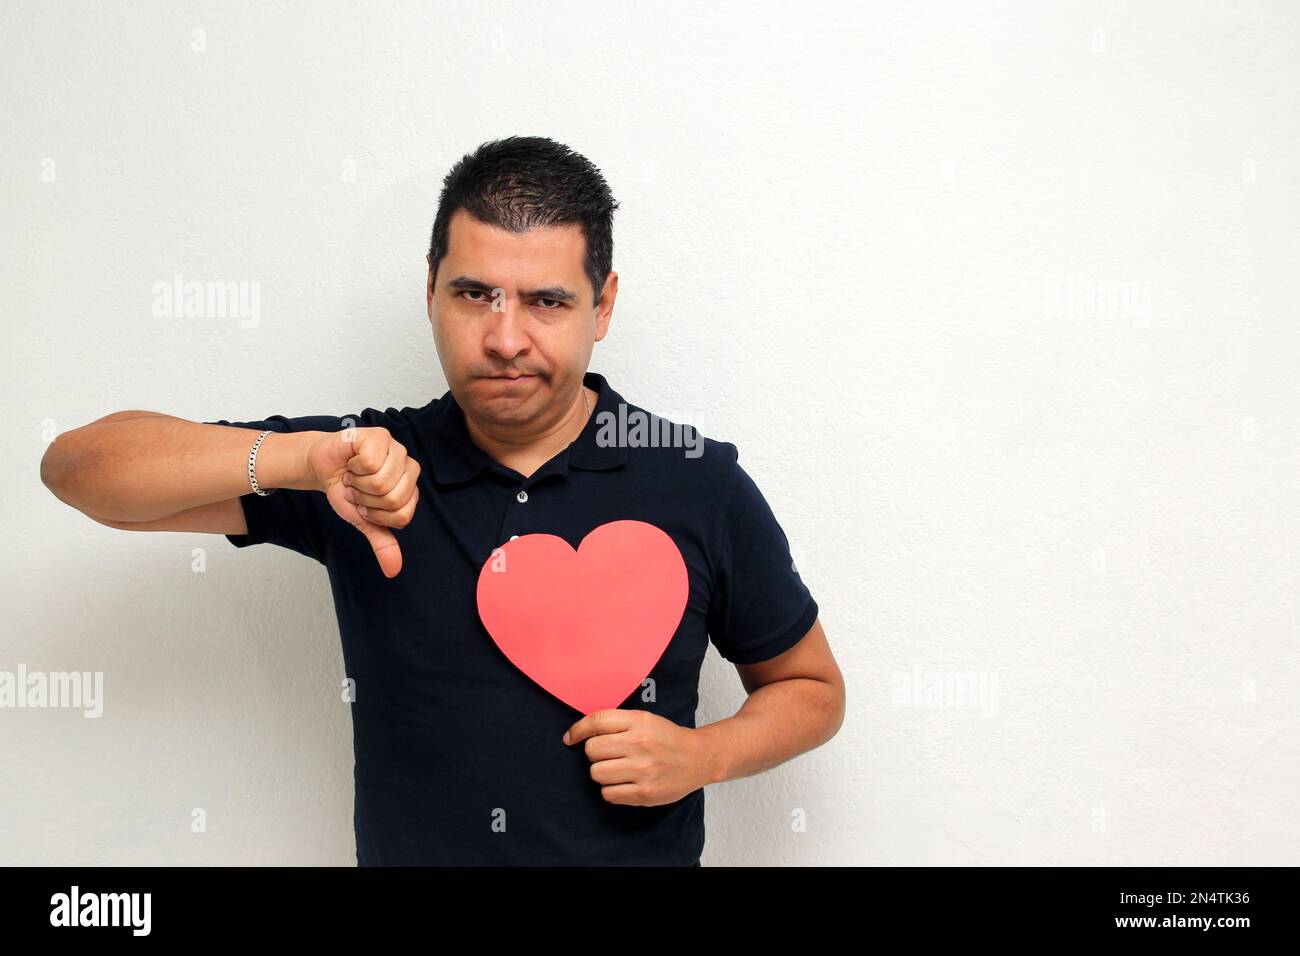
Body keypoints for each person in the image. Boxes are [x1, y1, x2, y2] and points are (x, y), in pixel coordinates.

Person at [39, 135, 846, 866]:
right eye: (474, 294)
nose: (504, 337)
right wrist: (300, 459)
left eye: (548, 301)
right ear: (430, 291)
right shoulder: (358, 471)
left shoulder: (696, 481)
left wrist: (704, 757)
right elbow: (78, 471)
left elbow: (811, 689)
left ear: (602, 306)